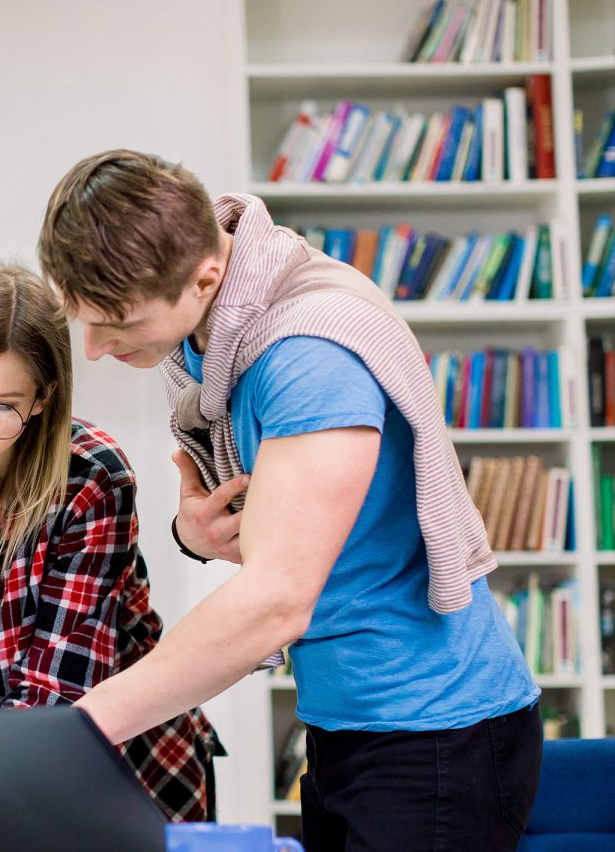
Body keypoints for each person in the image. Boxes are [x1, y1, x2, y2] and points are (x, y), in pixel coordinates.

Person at [38, 149, 541, 850]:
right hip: (343, 718)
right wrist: (194, 532)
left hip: (434, 729)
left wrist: (79, 731)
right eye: (79, 319)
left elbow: (277, 600)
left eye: (115, 323)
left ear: (205, 276)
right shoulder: (211, 331)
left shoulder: (311, 353)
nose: (91, 348)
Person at [0, 263, 219, 840]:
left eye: (0, 406)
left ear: (43, 399)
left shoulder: (93, 477)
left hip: (116, 765)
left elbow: (58, 689)